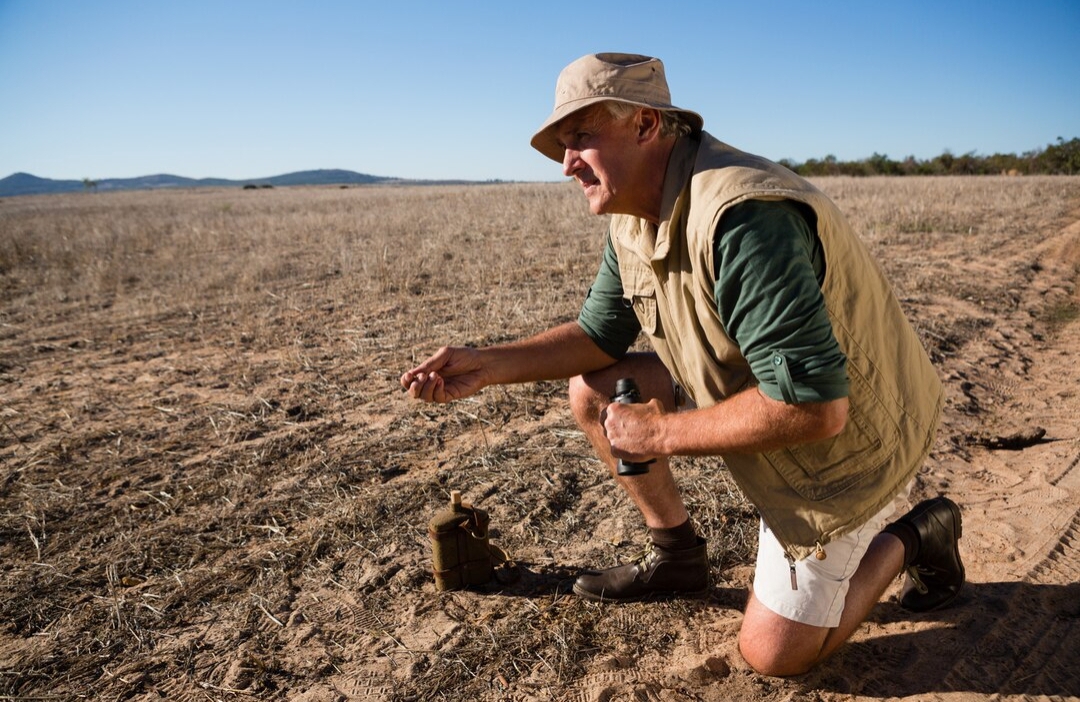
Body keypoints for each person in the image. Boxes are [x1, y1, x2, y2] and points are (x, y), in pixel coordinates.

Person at [401, 53, 964, 676]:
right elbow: (597, 336)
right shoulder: (634, 215)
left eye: (582, 137)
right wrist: (486, 364)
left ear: (646, 125)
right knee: (595, 391)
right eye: (562, 145)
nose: (567, 165)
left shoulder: (744, 219)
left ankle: (915, 534)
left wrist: (662, 432)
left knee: (775, 656)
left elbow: (815, 406)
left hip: (851, 447)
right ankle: (677, 557)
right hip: (771, 400)